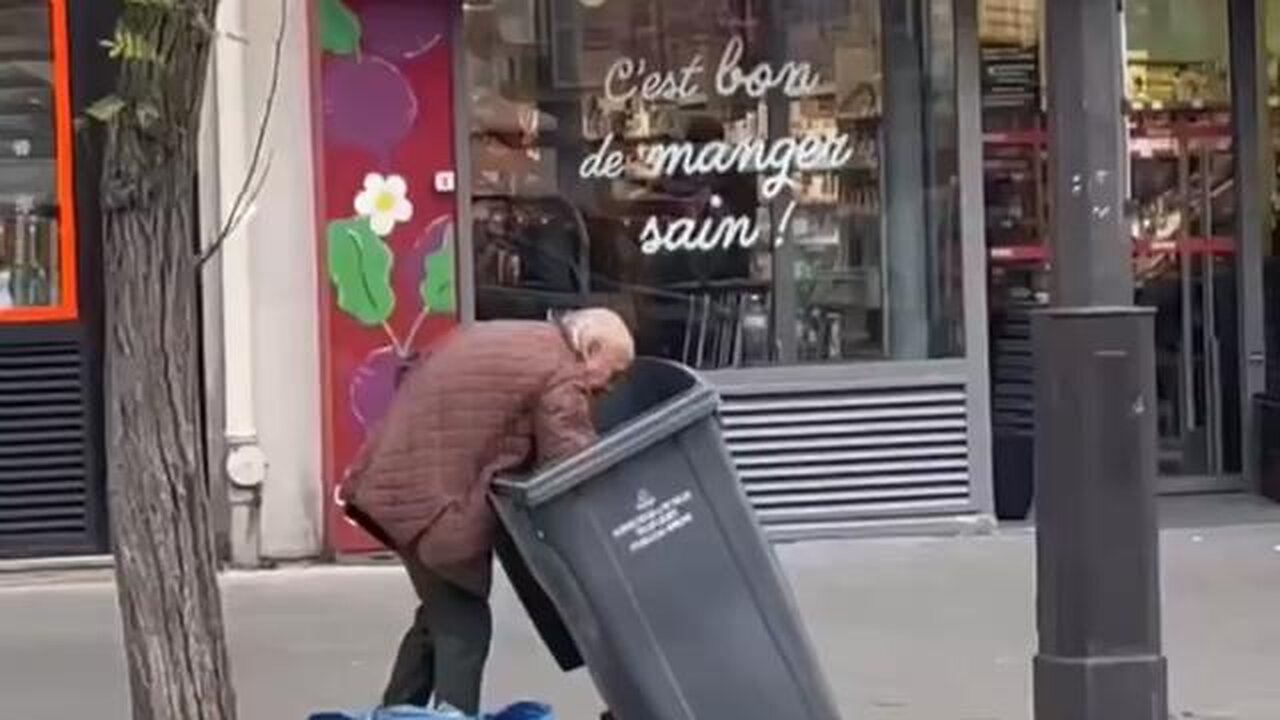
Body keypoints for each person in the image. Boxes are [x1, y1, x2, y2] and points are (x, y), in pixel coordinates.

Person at [340, 308, 636, 714]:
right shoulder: (561, 369)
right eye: (614, 373)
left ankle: (396, 709)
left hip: (397, 481)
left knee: (441, 614)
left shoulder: (527, 338)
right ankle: (452, 714)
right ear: (592, 348)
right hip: (433, 501)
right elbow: (571, 463)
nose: (611, 388)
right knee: (464, 627)